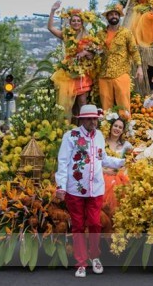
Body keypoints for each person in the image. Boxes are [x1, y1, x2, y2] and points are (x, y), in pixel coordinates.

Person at [55, 105, 126, 278]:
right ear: (82, 119)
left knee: (95, 224)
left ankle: (95, 256)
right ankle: (81, 262)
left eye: (95, 119)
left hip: (96, 189)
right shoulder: (71, 136)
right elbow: (63, 162)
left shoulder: (100, 136)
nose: (93, 122)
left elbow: (103, 159)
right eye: (89, 119)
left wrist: (121, 162)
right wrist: (61, 186)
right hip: (75, 189)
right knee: (78, 226)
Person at [48, 0, 101, 119]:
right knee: (68, 106)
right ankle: (70, 130)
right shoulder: (66, 35)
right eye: (73, 21)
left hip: (82, 73)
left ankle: (84, 129)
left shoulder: (88, 37)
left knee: (82, 103)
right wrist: (52, 11)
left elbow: (93, 56)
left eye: (78, 21)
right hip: (67, 73)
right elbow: (50, 28)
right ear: (70, 22)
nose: (76, 23)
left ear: (82, 22)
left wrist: (85, 52)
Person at [97, 4, 143, 113]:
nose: (114, 16)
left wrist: (139, 67)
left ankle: (126, 128)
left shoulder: (126, 33)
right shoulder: (100, 34)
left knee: (123, 106)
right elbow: (96, 50)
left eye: (116, 14)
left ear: (119, 17)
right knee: (106, 108)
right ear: (107, 17)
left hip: (121, 73)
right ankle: (106, 128)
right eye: (111, 14)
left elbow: (133, 50)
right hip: (104, 74)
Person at [101, 113, 132, 217]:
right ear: (110, 126)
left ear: (123, 131)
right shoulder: (102, 142)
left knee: (116, 186)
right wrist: (105, 171)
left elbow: (130, 162)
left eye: (120, 127)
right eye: (115, 126)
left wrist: (120, 170)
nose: (117, 129)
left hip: (118, 176)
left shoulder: (126, 145)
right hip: (102, 173)